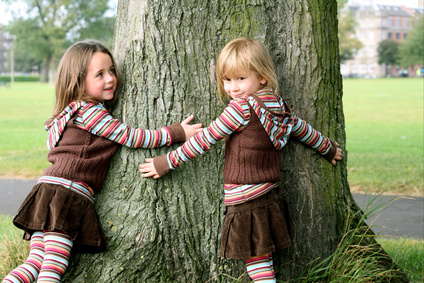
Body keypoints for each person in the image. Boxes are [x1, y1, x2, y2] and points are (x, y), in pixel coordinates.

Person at [139, 37, 342, 282]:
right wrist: (327, 147)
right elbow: (301, 128)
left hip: (246, 196)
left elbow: (206, 140)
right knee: (262, 256)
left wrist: (167, 162)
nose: (233, 88)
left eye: (241, 79)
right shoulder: (279, 106)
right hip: (269, 194)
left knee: (257, 262)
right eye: (227, 80)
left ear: (262, 76)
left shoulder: (241, 108)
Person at [2, 40, 202, 283]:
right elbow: (131, 137)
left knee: (33, 264)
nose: (110, 79)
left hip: (46, 193)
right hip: (68, 195)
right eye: (99, 74)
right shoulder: (92, 112)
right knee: (52, 269)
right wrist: (176, 132)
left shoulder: (70, 111)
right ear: (78, 82)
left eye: (111, 71)